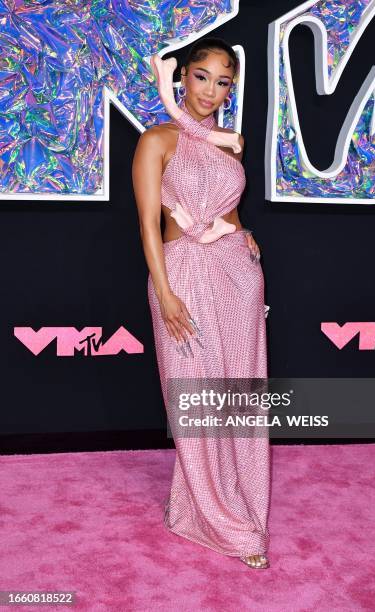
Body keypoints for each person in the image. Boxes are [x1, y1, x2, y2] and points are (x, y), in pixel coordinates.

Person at [132, 37, 271, 569]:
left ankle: (231, 499)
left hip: (236, 275)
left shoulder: (229, 141)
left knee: (238, 397)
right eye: (202, 76)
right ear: (182, 78)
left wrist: (243, 231)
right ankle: (217, 519)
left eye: (223, 81)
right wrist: (164, 291)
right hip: (182, 274)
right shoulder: (157, 139)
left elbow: (229, 208)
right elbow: (149, 223)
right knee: (195, 400)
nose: (211, 90)